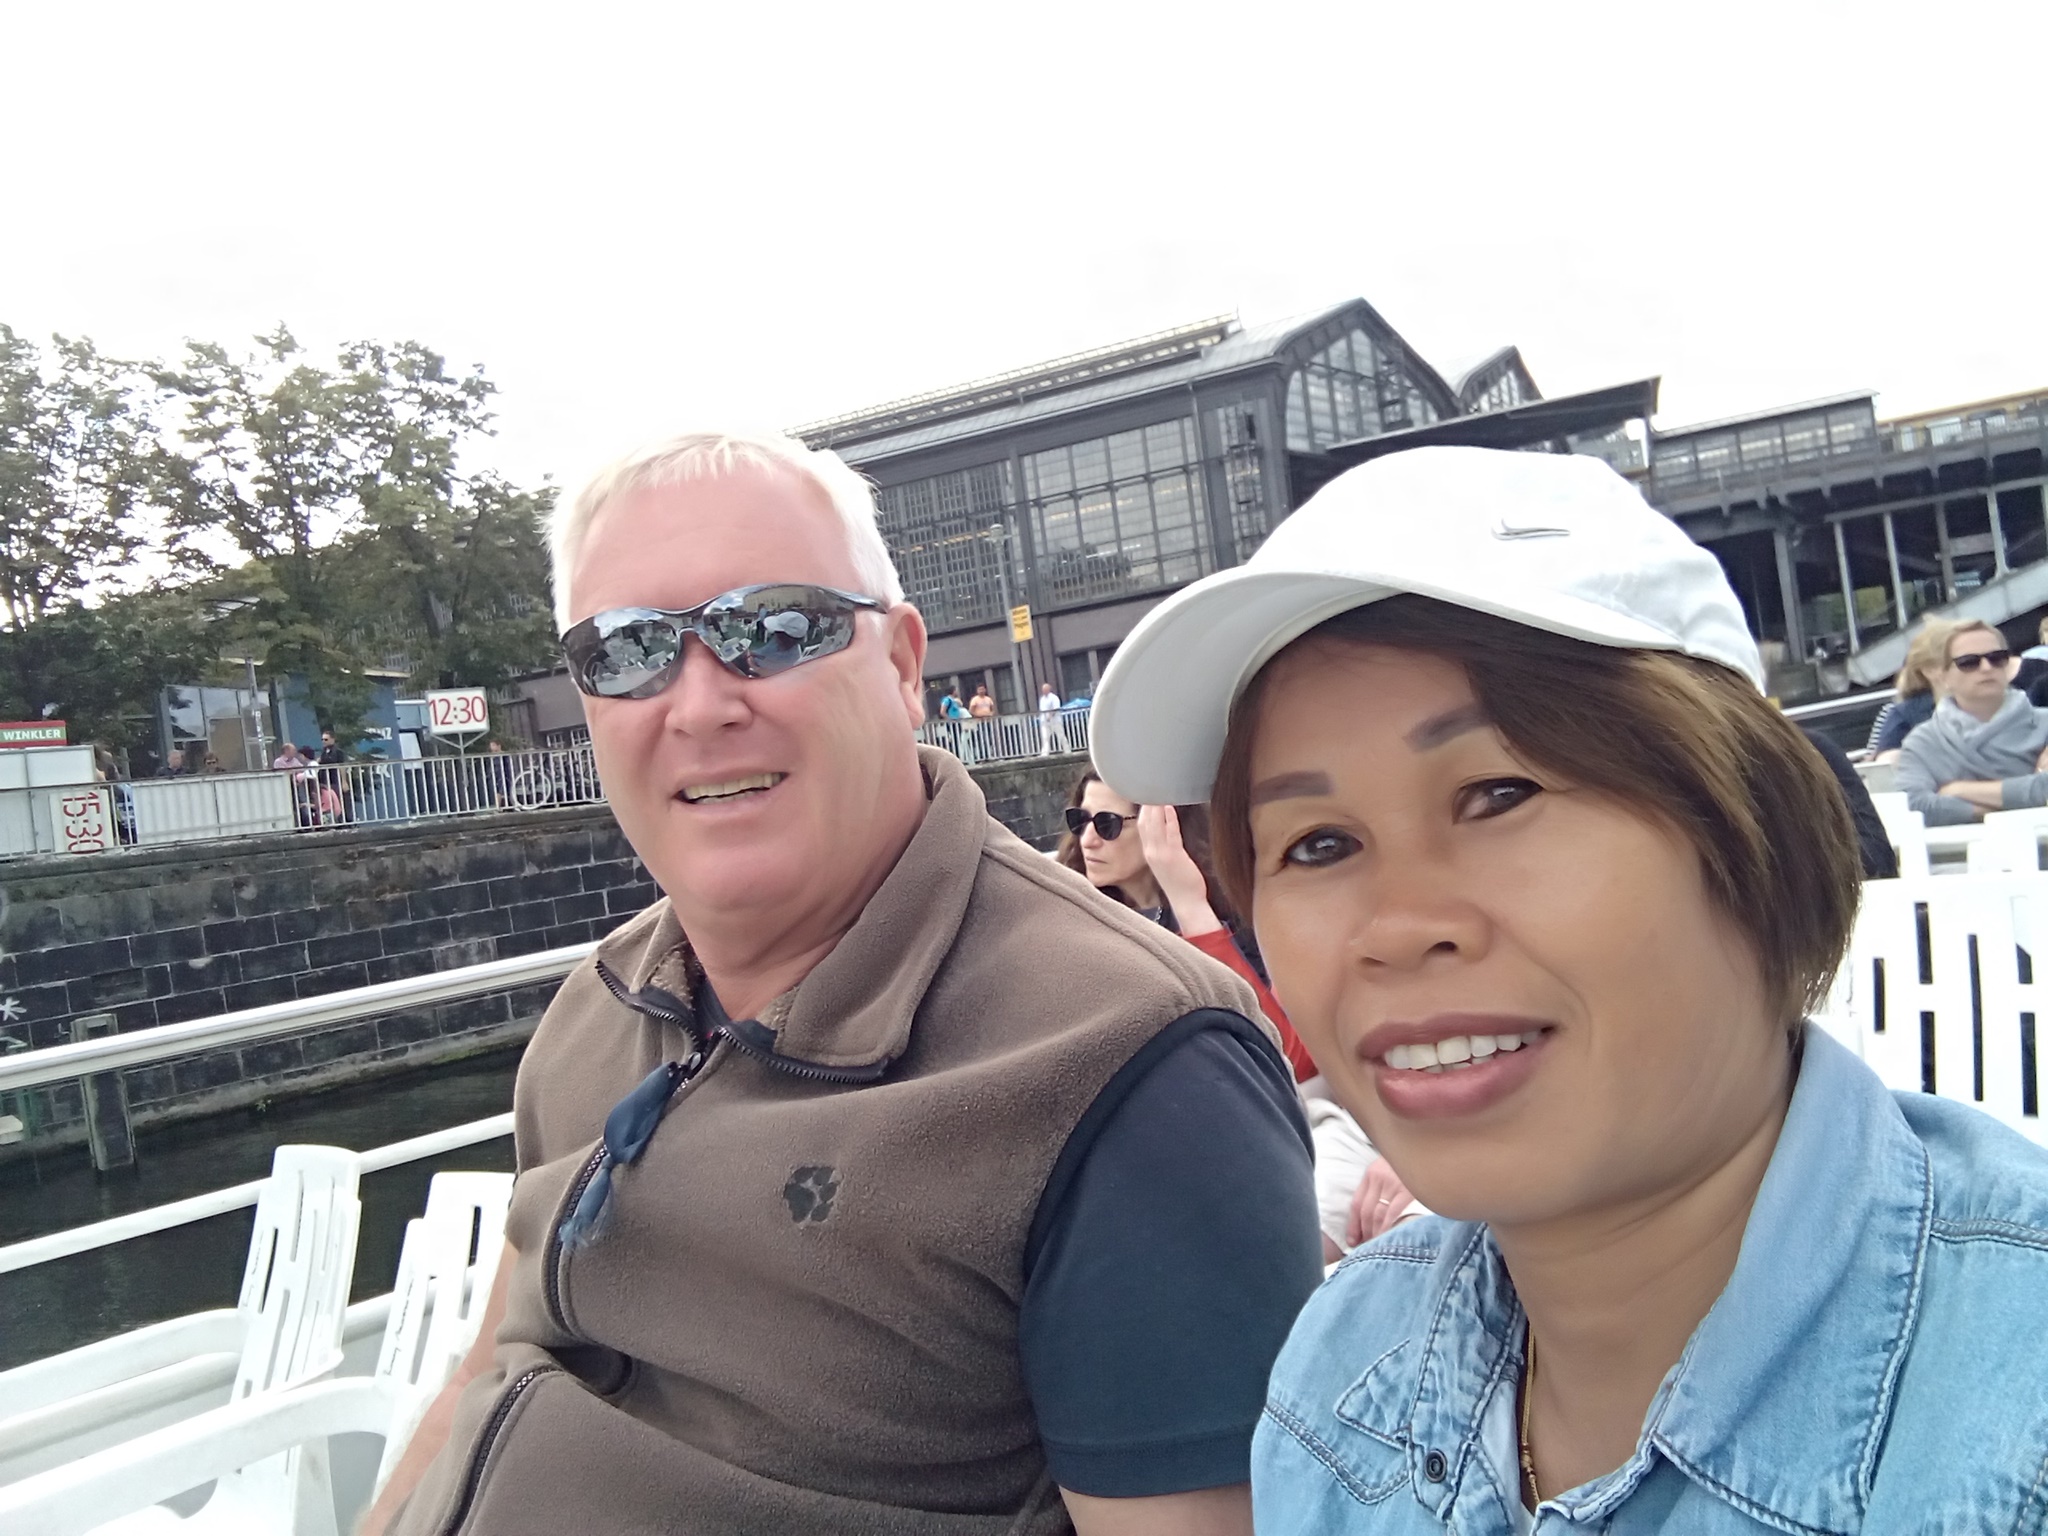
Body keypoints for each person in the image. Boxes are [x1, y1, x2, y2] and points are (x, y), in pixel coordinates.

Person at [366, 429, 1321, 1536]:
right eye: (626, 650)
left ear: (904, 665)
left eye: (774, 628)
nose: (698, 705)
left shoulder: (1126, 1063)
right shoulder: (598, 1007)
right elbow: (483, 1378)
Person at [1091, 445, 2048, 1531]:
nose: (1396, 929)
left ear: (1756, 830)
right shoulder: (1340, 1375)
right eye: (1316, 844)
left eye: (1498, 793)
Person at [1056, 769, 1423, 1261]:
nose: (1087, 840)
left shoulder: (1230, 915)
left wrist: (1189, 904)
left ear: (1162, 827)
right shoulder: (1080, 928)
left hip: (1269, 1119)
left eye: (1106, 824)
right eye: (1078, 821)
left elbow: (1287, 1054)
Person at [1894, 619, 2048, 824]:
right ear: (1943, 675)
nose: (1986, 667)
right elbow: (1913, 804)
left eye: (1997, 658)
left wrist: (1959, 790)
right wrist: (2003, 809)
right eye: (1968, 662)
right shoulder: (1922, 742)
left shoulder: (2044, 724)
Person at [1865, 616, 1957, 761]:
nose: (1985, 667)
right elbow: (1882, 766)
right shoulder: (1902, 713)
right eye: (1966, 661)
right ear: (1930, 670)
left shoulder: (1994, 705)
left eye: (1993, 658)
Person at [1038, 681, 1067, 754]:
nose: (1043, 691)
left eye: (1045, 689)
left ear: (1049, 689)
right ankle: (1045, 753)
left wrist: (1050, 716)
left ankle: (1067, 750)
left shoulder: (1054, 698)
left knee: (1061, 736)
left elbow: (1056, 708)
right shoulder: (1042, 699)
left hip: (1055, 721)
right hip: (1045, 722)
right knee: (1045, 738)